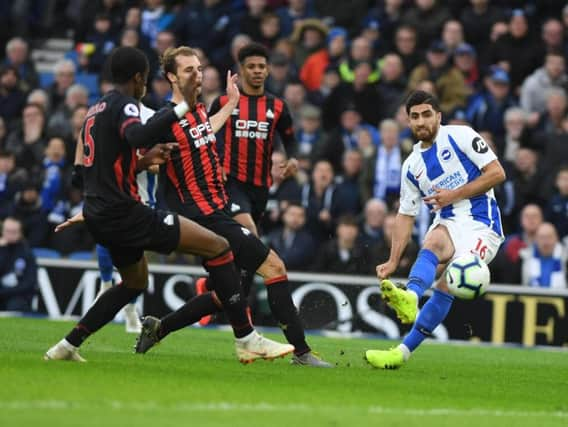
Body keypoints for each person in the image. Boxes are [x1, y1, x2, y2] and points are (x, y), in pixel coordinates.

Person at [44, 46, 294, 364]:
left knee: (134, 283)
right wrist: (181, 108)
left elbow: (99, 168)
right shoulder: (127, 106)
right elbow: (137, 136)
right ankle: (246, 338)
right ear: (139, 78)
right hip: (127, 213)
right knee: (219, 247)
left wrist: (92, 207)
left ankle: (67, 345)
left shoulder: (97, 108)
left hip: (102, 213)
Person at [134, 46, 330, 367]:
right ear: (170, 76)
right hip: (202, 215)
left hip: (217, 209)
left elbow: (205, 131)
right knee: (274, 267)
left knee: (227, 293)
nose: (198, 75)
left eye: (199, 69)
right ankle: (301, 352)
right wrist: (148, 162)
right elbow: (133, 152)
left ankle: (159, 327)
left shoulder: (195, 112)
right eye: (189, 70)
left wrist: (233, 105)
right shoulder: (164, 119)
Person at [365, 90, 506, 369]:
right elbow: (405, 215)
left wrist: (454, 194)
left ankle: (403, 350)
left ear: (438, 116)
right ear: (408, 122)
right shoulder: (411, 166)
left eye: (427, 114)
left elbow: (497, 173)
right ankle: (411, 298)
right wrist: (393, 260)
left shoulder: (461, 136)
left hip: (482, 225)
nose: (421, 122)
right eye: (415, 117)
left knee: (448, 283)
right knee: (433, 240)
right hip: (449, 223)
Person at [205, 42, 299, 300]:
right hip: (230, 182)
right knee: (250, 236)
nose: (257, 71)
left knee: (240, 248)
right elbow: (205, 136)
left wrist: (293, 160)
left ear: (267, 70)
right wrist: (214, 166)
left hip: (260, 186)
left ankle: (221, 292)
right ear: (241, 70)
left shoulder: (278, 106)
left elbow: (290, 139)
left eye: (261, 66)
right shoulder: (223, 102)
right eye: (251, 66)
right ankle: (241, 306)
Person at [0, 216, 37, 312]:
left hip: (18, 296)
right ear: (2, 231)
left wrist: (5, 292)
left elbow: (29, 283)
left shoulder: (27, 253)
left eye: (14, 232)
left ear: (20, 233)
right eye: (7, 231)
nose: (10, 235)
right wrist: (2, 250)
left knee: (15, 305)